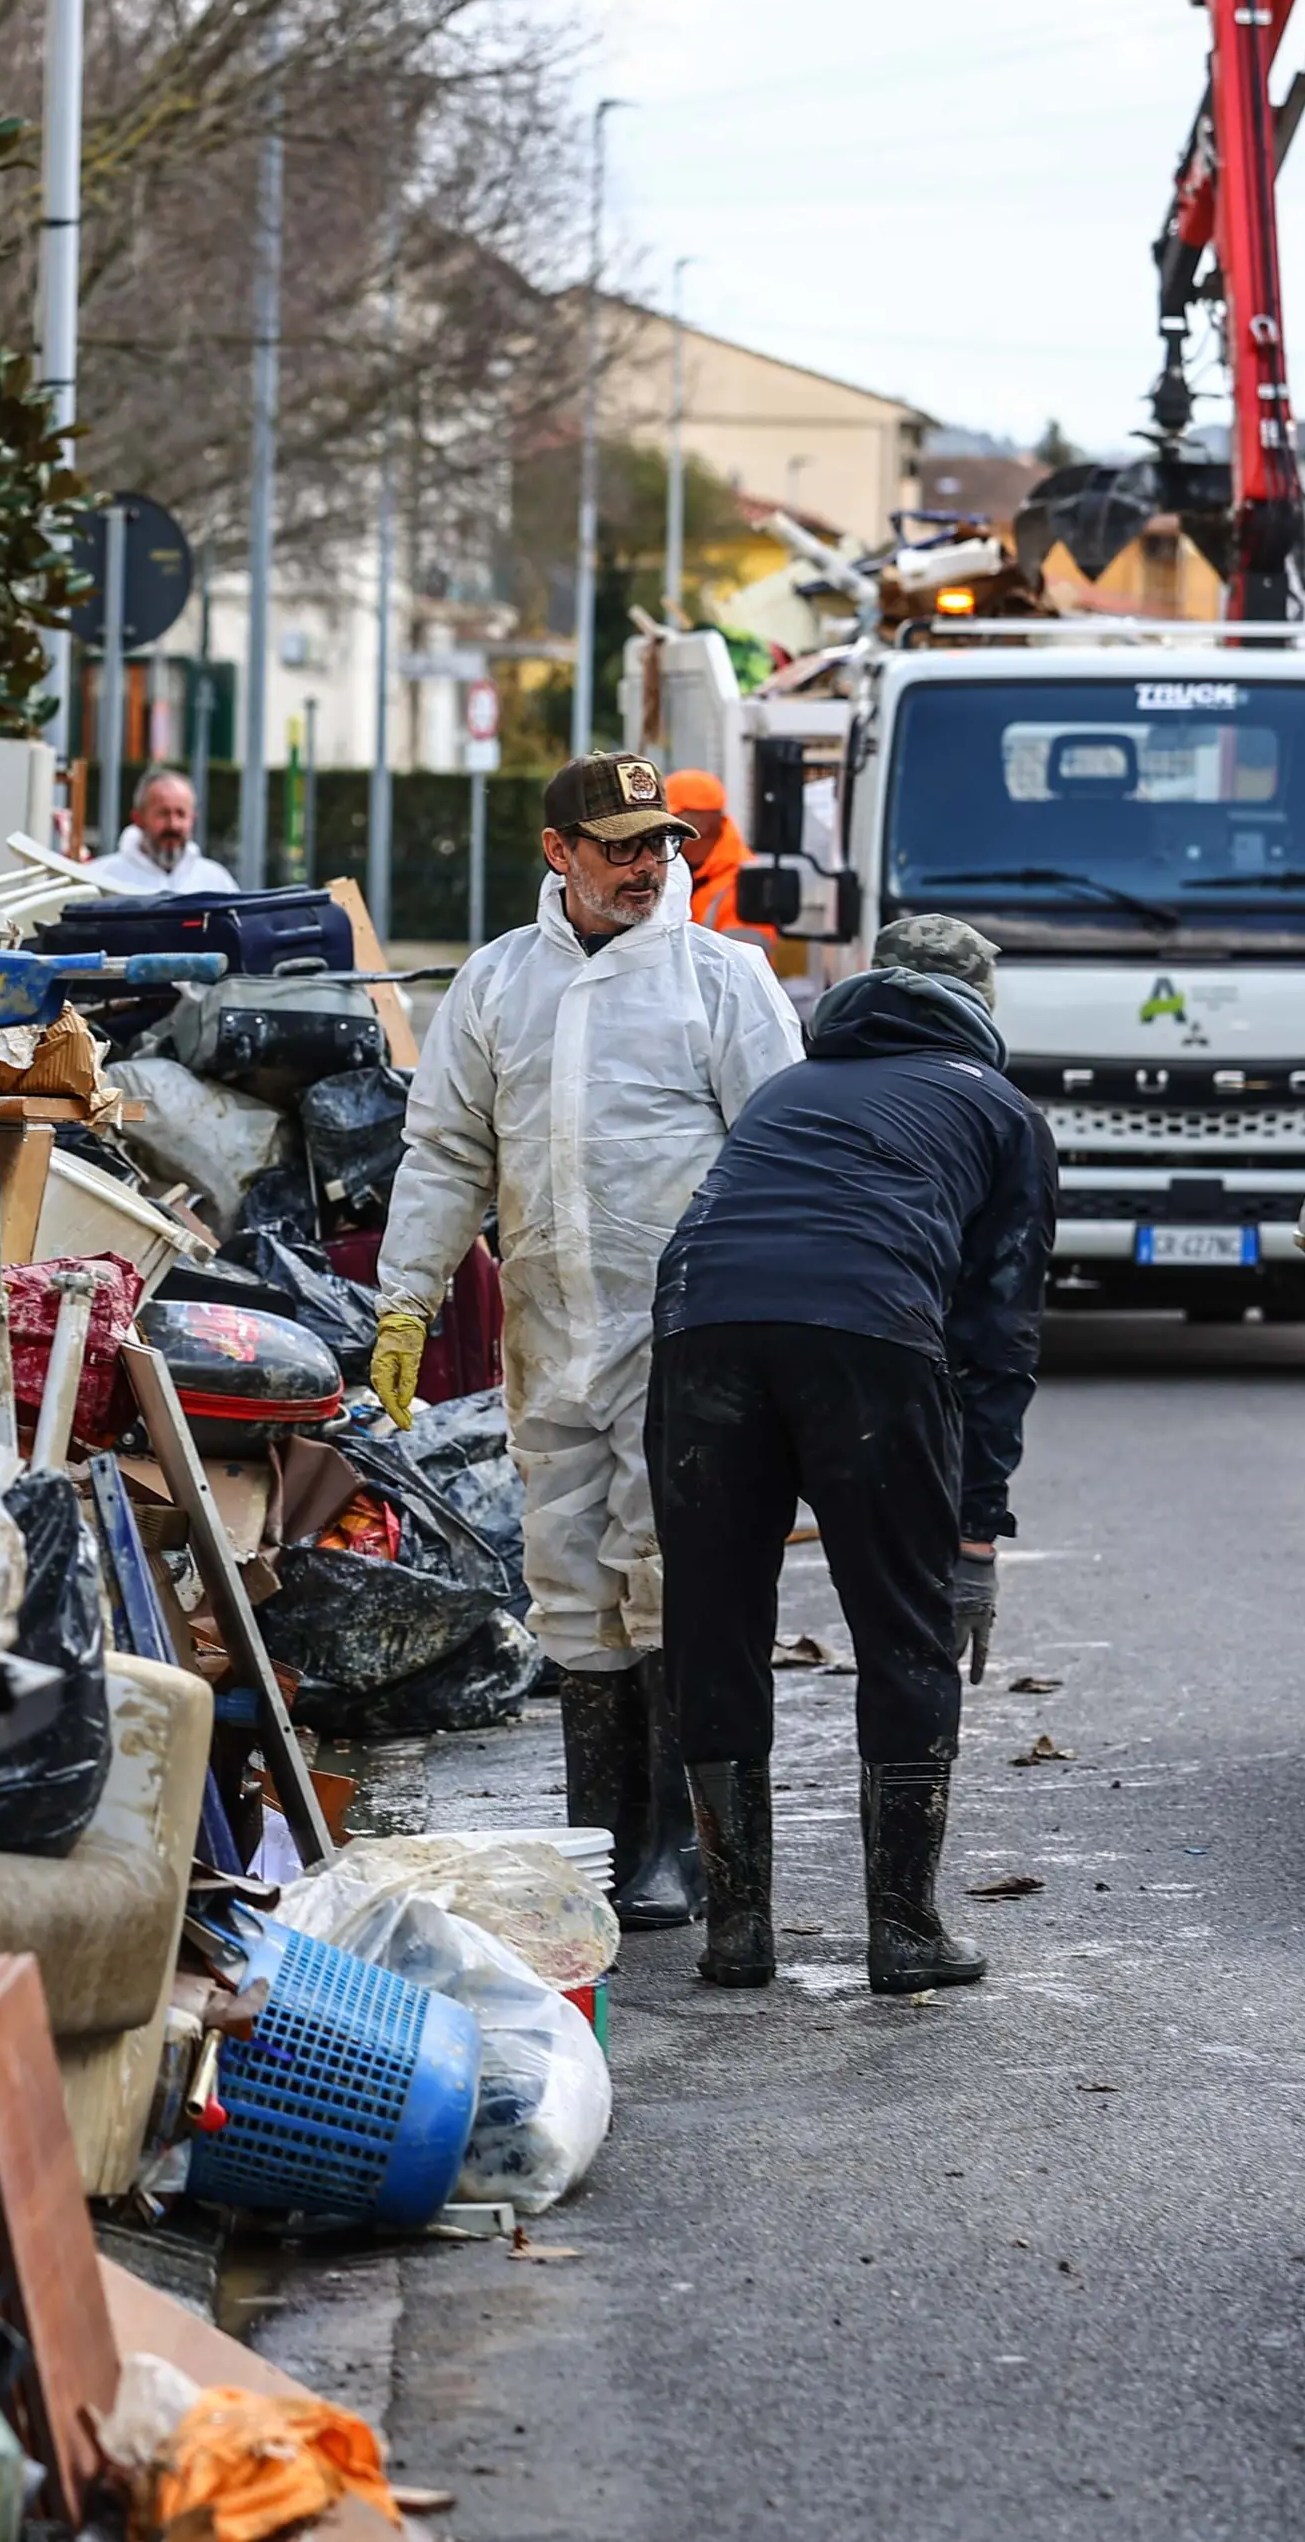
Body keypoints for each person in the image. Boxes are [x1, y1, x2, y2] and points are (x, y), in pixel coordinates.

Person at [373, 753, 804, 1925]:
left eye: (659, 842)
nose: (648, 864)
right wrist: (405, 1296)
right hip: (550, 1327)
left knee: (669, 1575)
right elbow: (449, 1150)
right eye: (620, 844)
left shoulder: (721, 979)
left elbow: (780, 1156)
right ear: (558, 852)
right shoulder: (498, 983)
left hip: (684, 1334)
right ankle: (601, 1833)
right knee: (569, 1582)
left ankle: (681, 1843)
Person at [648, 913, 1054, 1994]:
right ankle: (905, 1929)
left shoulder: (787, 1089)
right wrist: (974, 1531)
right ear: (979, 1005)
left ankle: (736, 1928)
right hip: (866, 1340)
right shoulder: (999, 1110)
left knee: (715, 1618)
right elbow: (996, 1337)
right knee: (901, 1624)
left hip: (700, 1330)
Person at [84, 768, 241, 894]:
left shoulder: (216, 882)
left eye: (181, 814)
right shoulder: (100, 878)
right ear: (138, 818)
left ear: (193, 818)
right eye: (163, 814)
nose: (173, 825)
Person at [663, 767, 754, 935]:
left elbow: (734, 957)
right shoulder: (667, 869)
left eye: (671, 818)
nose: (661, 829)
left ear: (701, 824)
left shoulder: (745, 884)